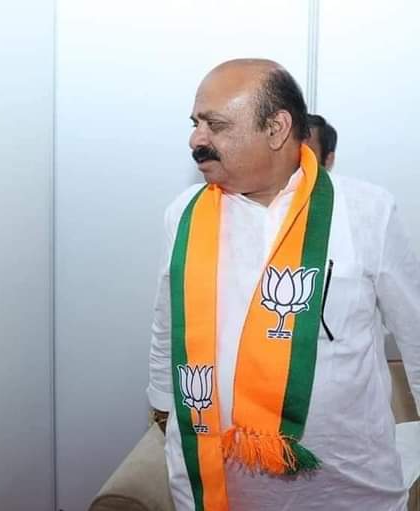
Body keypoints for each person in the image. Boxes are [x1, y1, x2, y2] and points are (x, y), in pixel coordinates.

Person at [147, 59, 420, 510]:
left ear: (276, 129)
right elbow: (166, 324)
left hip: (348, 489)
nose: (196, 140)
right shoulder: (184, 213)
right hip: (214, 488)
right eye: (196, 124)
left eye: (215, 125)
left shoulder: (367, 211)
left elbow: (415, 335)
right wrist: (163, 405)